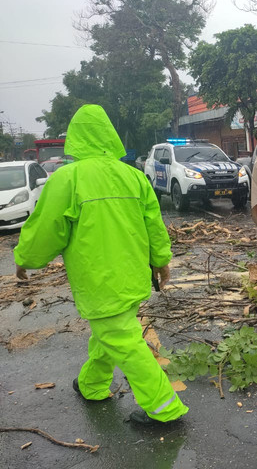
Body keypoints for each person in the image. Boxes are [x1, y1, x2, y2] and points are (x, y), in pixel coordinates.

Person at [13, 104, 188, 425]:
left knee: (120, 338)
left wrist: (25, 260)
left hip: (98, 282)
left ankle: (165, 408)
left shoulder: (67, 179)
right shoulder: (133, 177)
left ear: (76, 139)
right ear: (110, 136)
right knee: (108, 335)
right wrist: (161, 262)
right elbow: (155, 227)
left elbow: (44, 230)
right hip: (133, 279)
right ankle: (92, 384)